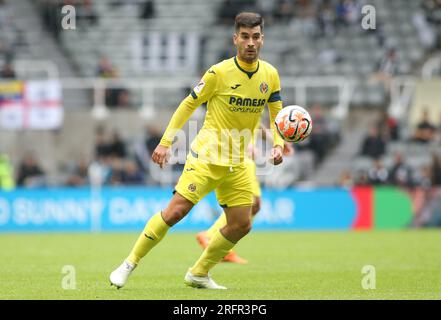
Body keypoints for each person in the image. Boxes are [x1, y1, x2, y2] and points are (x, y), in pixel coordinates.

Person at [109, 12, 285, 290]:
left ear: (262, 39)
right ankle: (129, 263)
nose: (250, 42)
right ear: (235, 38)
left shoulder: (270, 75)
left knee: (242, 223)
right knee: (176, 213)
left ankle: (199, 273)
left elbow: (277, 114)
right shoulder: (218, 73)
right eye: (245, 36)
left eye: (256, 36)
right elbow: (187, 105)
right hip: (207, 157)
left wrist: (277, 143)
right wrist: (166, 142)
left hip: (237, 163)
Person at [195, 124, 294, 264]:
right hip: (239, 158)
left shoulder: (256, 104)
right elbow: (229, 121)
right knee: (247, 203)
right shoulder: (240, 104)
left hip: (246, 159)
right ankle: (211, 237)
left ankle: (220, 243)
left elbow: (257, 125)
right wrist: (244, 145)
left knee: (255, 205)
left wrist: (277, 143)